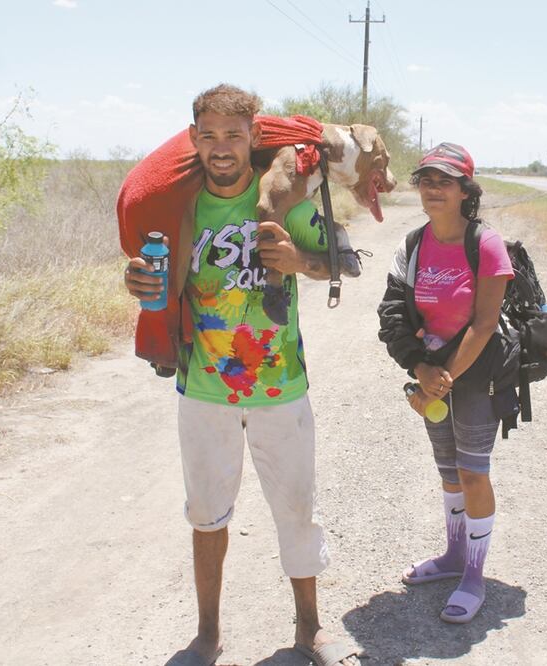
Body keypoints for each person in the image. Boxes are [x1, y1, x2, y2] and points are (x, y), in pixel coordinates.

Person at [123, 84, 359, 666]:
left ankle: (310, 629)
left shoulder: (284, 204)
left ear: (254, 136)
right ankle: (208, 635)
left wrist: (300, 261)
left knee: (295, 510)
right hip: (203, 389)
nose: (221, 147)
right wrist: (137, 283)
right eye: (209, 135)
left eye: (233, 135)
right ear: (194, 140)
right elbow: (156, 282)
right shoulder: (178, 213)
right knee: (206, 515)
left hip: (282, 388)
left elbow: (347, 263)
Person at [376, 143, 517, 624]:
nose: (434, 189)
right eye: (427, 180)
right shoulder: (412, 245)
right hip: (431, 374)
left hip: (475, 376)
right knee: (449, 472)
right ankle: (453, 557)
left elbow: (483, 324)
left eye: (446, 182)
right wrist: (420, 369)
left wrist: (443, 378)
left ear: (464, 191)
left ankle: (473, 576)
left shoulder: (486, 244)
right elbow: (392, 312)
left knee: (474, 472)